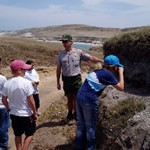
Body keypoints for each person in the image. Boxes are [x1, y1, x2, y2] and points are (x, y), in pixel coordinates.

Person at [74, 55, 124, 150]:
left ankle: (78, 146)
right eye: (117, 66)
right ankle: (90, 148)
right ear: (113, 66)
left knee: (81, 124)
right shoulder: (108, 74)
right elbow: (121, 87)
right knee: (90, 127)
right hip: (89, 99)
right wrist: (121, 73)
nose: (118, 68)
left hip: (79, 95)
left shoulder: (99, 71)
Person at [56, 34, 103, 123]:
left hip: (76, 79)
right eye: (63, 42)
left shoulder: (78, 52)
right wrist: (58, 82)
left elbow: (91, 58)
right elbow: (58, 69)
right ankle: (70, 113)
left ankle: (76, 114)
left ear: (71, 42)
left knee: (77, 97)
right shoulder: (61, 55)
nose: (64, 43)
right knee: (69, 98)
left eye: (66, 41)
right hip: (66, 79)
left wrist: (101, 60)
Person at [2, 60, 37, 150]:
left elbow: (4, 99)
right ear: (19, 70)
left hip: (14, 114)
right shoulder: (27, 83)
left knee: (17, 134)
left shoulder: (7, 83)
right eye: (24, 69)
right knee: (30, 133)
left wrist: (8, 108)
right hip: (26, 114)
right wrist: (35, 112)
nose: (25, 71)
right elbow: (31, 100)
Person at [0, 58, 10, 150]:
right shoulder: (2, 78)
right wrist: (8, 106)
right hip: (2, 106)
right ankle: (2, 146)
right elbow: (6, 94)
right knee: (3, 126)